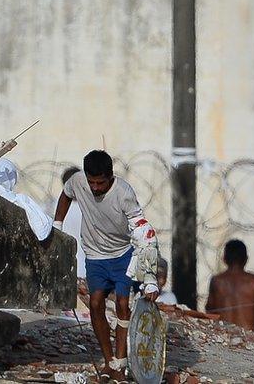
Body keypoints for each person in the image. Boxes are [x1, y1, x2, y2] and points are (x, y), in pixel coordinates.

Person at [53, 150, 160, 381]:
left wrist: (150, 279)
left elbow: (144, 234)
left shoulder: (124, 193)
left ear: (110, 177)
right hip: (94, 255)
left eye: (100, 183)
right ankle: (109, 360)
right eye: (91, 182)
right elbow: (65, 195)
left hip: (122, 254)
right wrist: (57, 225)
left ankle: (120, 364)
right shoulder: (78, 182)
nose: (95, 188)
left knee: (122, 303)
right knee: (95, 303)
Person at [205, 239, 254, 334]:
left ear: (224, 259)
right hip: (248, 341)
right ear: (246, 259)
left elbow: (209, 313)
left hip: (223, 340)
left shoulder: (217, 281)